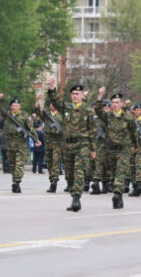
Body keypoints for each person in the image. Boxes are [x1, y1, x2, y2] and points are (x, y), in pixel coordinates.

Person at [45, 79, 96, 212]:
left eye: (77, 94)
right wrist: (52, 89)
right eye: (73, 94)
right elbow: (55, 102)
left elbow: (92, 131)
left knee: (79, 171)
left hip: (82, 145)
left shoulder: (88, 110)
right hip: (67, 145)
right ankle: (74, 195)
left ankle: (76, 199)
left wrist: (93, 149)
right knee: (69, 174)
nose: (74, 96)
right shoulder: (66, 108)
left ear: (82, 95)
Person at [92, 88, 137, 209]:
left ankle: (117, 194)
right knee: (113, 175)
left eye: (117, 102)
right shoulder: (107, 117)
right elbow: (97, 110)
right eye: (113, 102)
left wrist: (135, 146)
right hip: (111, 150)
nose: (115, 105)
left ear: (122, 104)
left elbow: (134, 133)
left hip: (124, 149)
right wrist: (100, 95)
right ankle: (118, 196)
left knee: (120, 172)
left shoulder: (128, 118)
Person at [0, 95, 38, 194]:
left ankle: (16, 182)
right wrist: (1, 100)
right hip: (10, 143)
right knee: (12, 164)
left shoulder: (24, 116)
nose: (15, 106)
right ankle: (15, 181)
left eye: (17, 105)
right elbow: (0, 108)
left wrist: (36, 139)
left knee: (19, 164)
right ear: (11, 106)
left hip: (21, 143)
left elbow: (30, 128)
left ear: (19, 106)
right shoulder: (7, 115)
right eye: (13, 105)